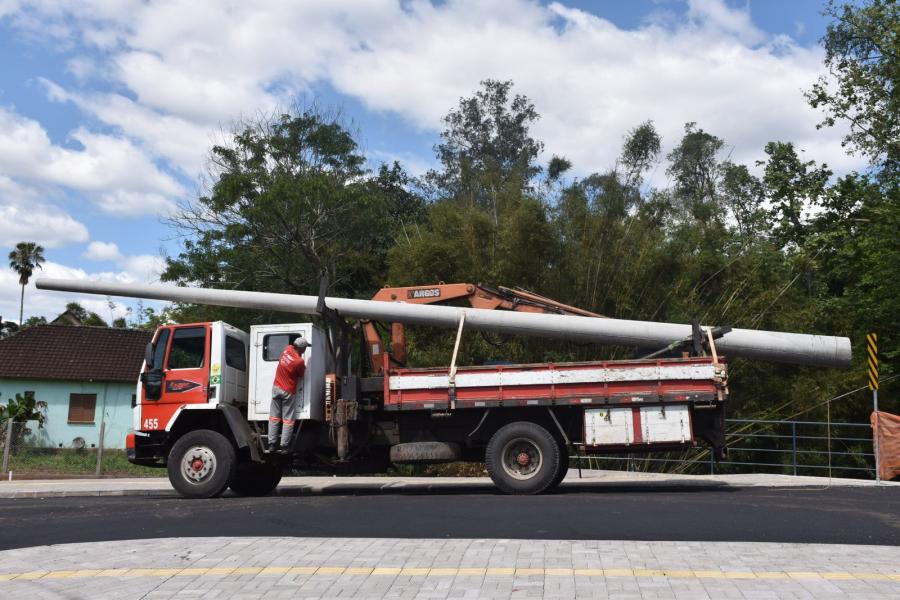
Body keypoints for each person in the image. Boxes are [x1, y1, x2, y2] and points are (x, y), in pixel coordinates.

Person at [267, 337, 308, 454]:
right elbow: (301, 375)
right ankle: (284, 446)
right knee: (288, 420)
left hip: (276, 388)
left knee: (274, 418)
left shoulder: (287, 348)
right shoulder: (299, 362)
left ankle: (271, 444)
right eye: (304, 348)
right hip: (287, 391)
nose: (305, 350)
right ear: (301, 349)